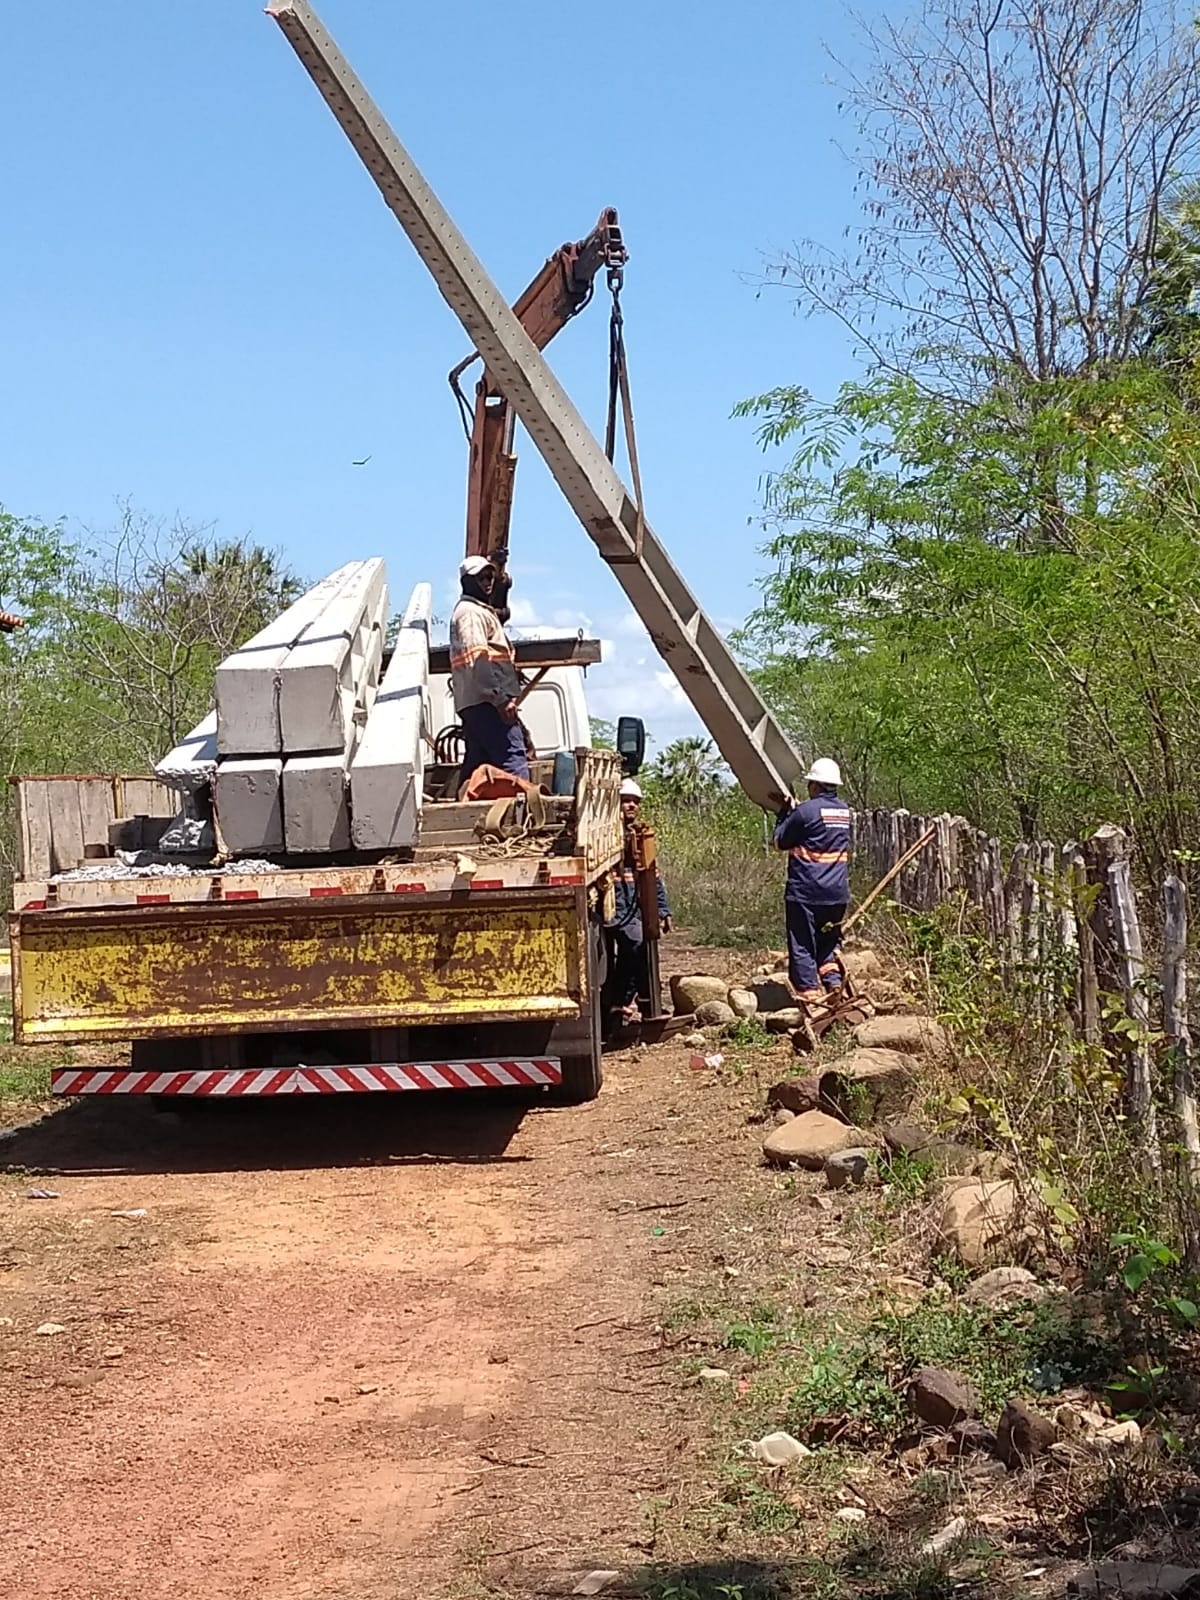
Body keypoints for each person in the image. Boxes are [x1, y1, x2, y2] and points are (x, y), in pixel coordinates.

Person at [773, 757, 851, 1007]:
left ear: (815, 785)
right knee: (828, 944)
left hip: (806, 891)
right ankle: (834, 984)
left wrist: (784, 813)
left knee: (803, 944)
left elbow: (780, 841)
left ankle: (811, 1000)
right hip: (837, 893)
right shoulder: (845, 812)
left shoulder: (804, 811)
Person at [449, 555, 530, 786]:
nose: (488, 582)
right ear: (466, 582)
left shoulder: (475, 611)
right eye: (481, 577)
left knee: (477, 765)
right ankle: (519, 815)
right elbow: (478, 660)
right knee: (512, 757)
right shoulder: (471, 614)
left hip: (476, 702)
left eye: (490, 576)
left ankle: (467, 814)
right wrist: (500, 700)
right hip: (487, 702)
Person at [606, 777, 672, 1024]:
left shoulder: (640, 836)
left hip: (634, 907)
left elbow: (652, 876)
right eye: (625, 801)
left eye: (635, 802)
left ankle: (642, 1002)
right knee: (633, 945)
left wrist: (663, 909)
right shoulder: (605, 836)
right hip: (613, 907)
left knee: (641, 947)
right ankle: (619, 1003)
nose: (631, 806)